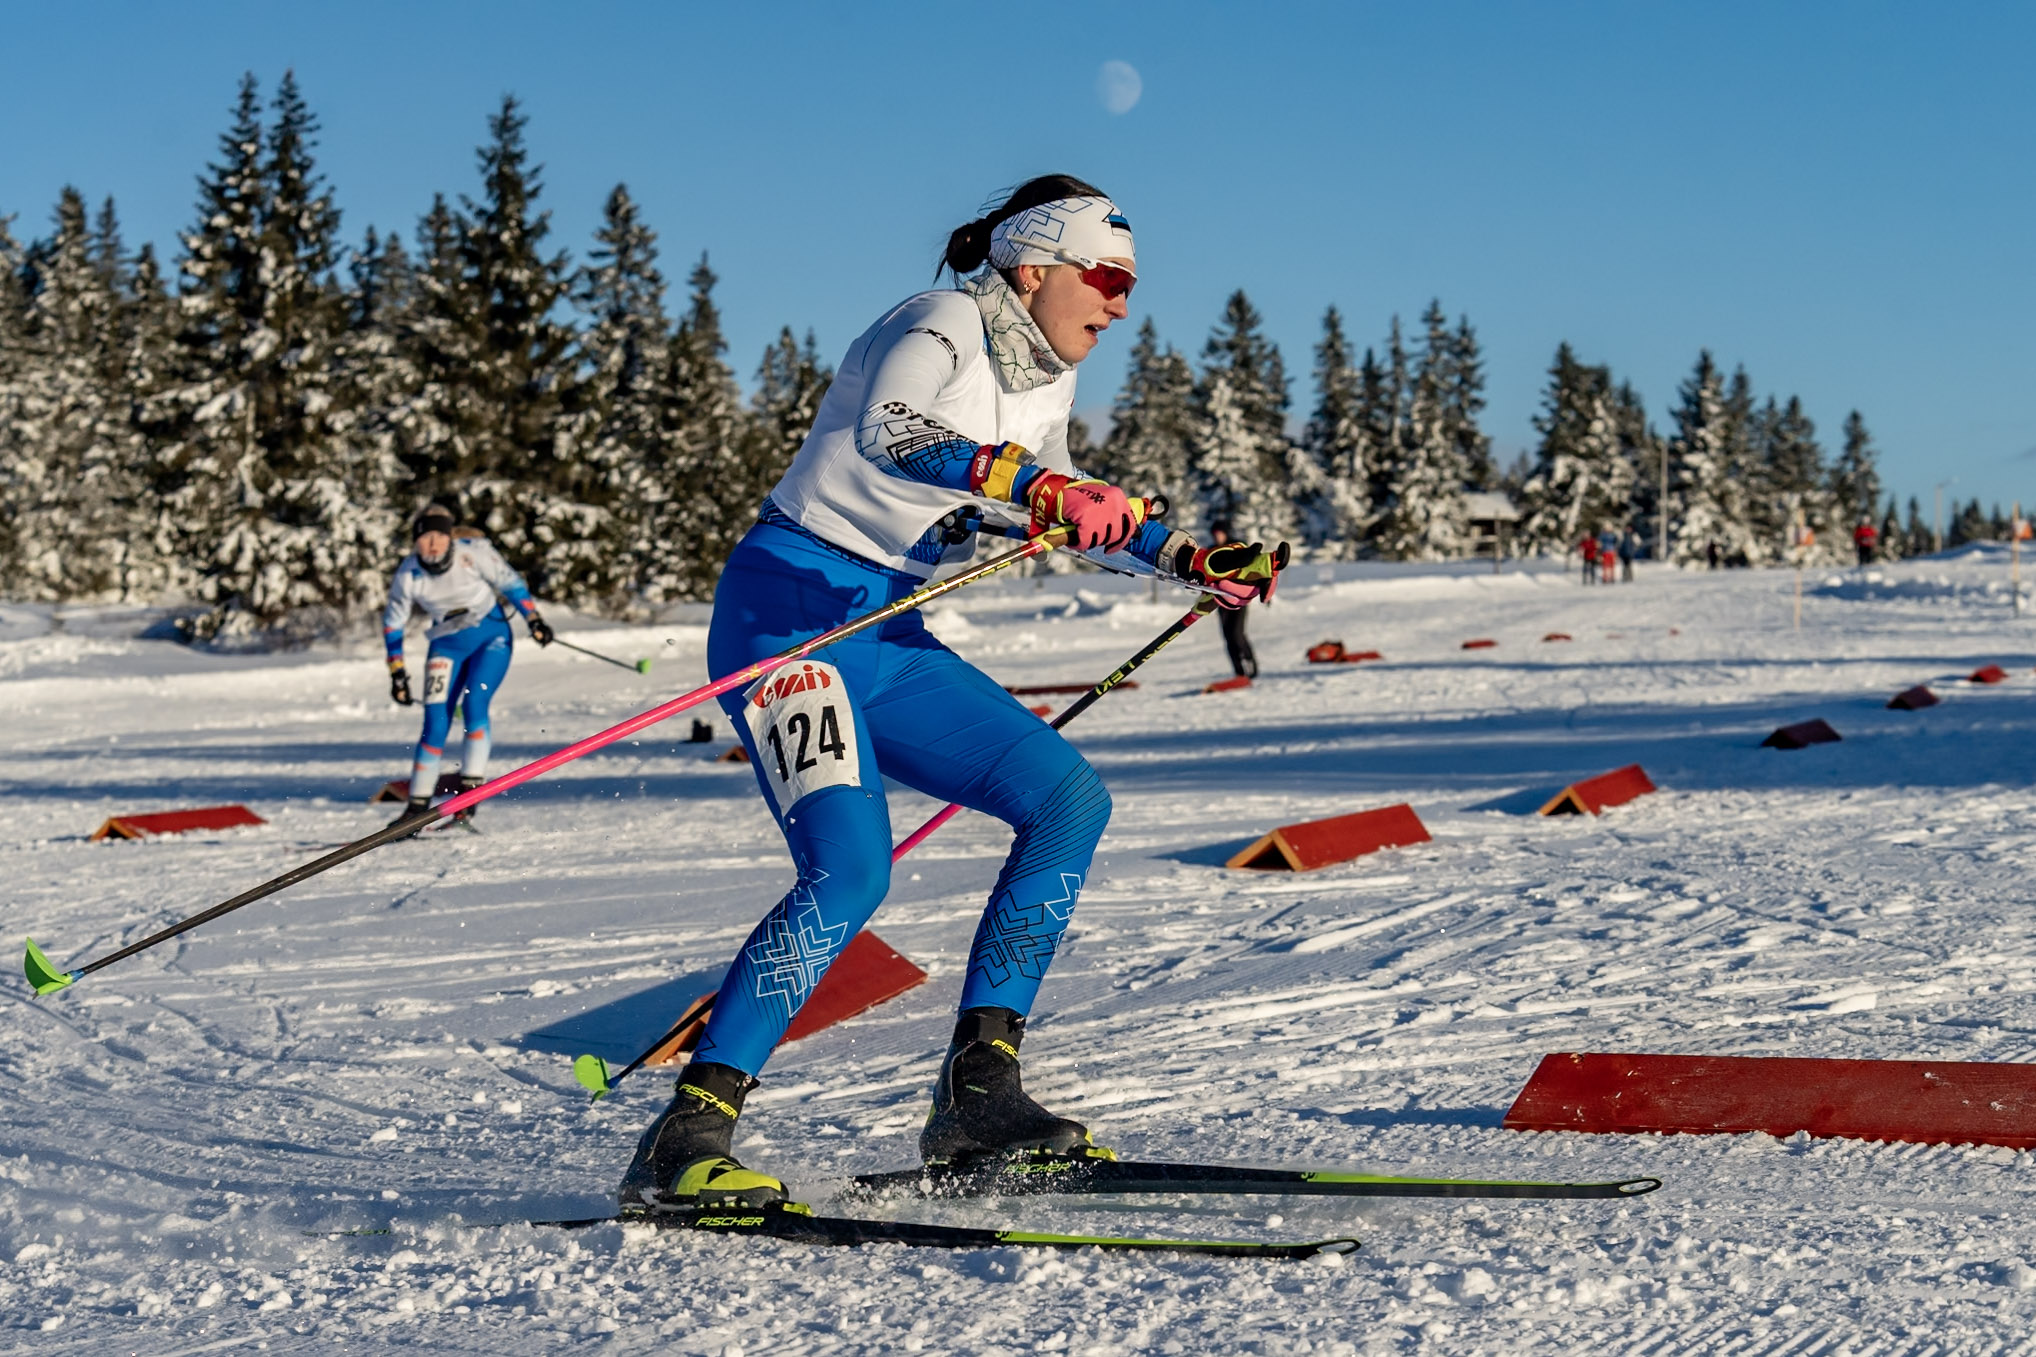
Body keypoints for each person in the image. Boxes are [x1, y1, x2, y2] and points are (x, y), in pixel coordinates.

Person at [617, 176, 1286, 1212]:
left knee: (1066, 798)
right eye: (1106, 277)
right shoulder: (938, 322)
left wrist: (1193, 558)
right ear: (1033, 266)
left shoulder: (1043, 383)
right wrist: (1032, 482)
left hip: (886, 629)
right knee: (849, 872)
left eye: (1129, 286)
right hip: (791, 615)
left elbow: (1060, 514)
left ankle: (977, 1094)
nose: (1118, 304)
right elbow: (894, 431)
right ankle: (687, 1131)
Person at [382, 503, 554, 828]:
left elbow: (511, 583)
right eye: (425, 538)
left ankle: (469, 795)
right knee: (434, 721)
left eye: (439, 536)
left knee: (474, 704)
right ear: (415, 542)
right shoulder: (408, 573)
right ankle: (417, 808)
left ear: (449, 538)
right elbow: (393, 624)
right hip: (445, 644)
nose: (432, 544)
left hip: (491, 639)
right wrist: (397, 672)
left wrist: (534, 619)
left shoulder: (471, 554)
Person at [1208, 520, 1258, 678]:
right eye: (1215, 534)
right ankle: (1239, 671)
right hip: (1220, 600)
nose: (1217, 537)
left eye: (1220, 534)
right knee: (1227, 636)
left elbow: (1251, 569)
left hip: (1238, 599)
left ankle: (1250, 662)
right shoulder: (1212, 551)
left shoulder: (1236, 548)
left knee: (1237, 634)